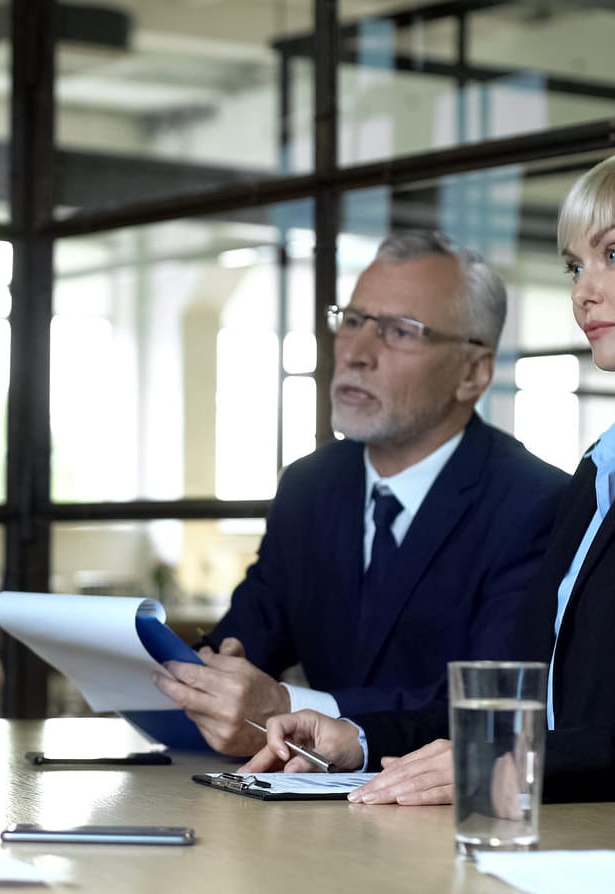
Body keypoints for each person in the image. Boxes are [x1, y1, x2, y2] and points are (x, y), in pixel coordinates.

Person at [249, 143, 615, 822]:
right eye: (573, 265)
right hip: (586, 842)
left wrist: (523, 764)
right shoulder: (607, 460)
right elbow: (530, 702)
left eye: (613, 254)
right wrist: (360, 739)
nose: (583, 290)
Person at [154, 231, 568, 756]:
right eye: (352, 321)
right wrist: (208, 675)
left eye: (400, 331)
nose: (356, 353)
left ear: (473, 373)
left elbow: (488, 706)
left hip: (441, 818)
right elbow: (242, 641)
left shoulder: (537, 504)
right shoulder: (309, 486)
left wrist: (285, 707)